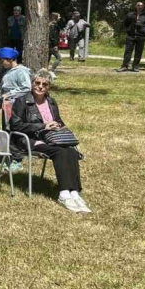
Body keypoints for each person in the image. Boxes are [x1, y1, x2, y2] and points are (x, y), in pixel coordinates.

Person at [9, 69, 89, 213]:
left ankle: (75, 192)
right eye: (37, 83)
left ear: (48, 87)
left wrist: (57, 125)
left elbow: (58, 120)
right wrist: (43, 126)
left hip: (50, 138)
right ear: (32, 83)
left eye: (44, 84)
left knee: (70, 150)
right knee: (59, 152)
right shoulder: (22, 101)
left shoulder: (51, 102)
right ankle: (64, 192)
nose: (40, 87)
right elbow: (15, 125)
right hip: (29, 139)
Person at [118, 1, 145, 72]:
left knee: (138, 52)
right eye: (138, 5)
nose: (140, 7)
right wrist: (128, 30)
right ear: (135, 6)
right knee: (127, 51)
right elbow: (126, 23)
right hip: (131, 35)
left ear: (143, 7)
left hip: (141, 36)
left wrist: (144, 29)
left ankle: (135, 66)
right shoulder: (130, 14)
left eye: (141, 5)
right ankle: (124, 66)